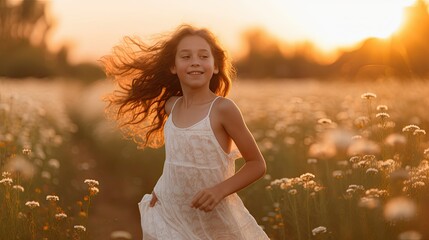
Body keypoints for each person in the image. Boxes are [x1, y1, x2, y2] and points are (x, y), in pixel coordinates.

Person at [101, 24, 269, 240]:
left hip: (214, 221)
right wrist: (160, 189)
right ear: (173, 66)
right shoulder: (171, 106)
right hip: (171, 214)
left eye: (203, 56)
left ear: (215, 65)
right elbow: (175, 162)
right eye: (186, 56)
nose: (195, 62)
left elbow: (257, 164)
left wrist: (218, 191)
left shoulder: (222, 109)